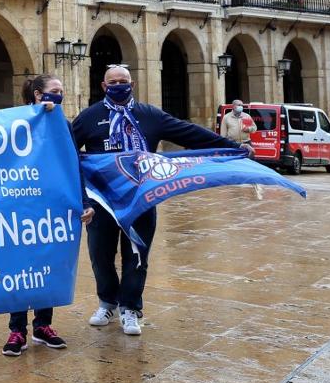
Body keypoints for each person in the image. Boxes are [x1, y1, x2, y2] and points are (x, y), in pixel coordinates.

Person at [72, 64, 246, 336]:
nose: (119, 85)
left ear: (133, 84)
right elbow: (67, 150)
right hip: (103, 202)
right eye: (113, 81)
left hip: (142, 198)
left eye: (124, 80)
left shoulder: (149, 115)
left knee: (137, 255)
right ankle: (107, 302)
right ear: (104, 86)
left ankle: (130, 307)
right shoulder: (89, 117)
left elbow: (189, 132)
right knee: (100, 255)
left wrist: (233, 147)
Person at [2, 74, 94, 356]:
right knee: (18, 268)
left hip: (53, 206)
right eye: (54, 91)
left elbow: (72, 165)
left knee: (49, 263)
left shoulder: (63, 125)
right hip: (20, 207)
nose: (60, 95)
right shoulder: (15, 122)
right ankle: (17, 330)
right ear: (38, 95)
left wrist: (84, 200)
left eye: (62, 91)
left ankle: (43, 325)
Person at [220, 100, 263, 200]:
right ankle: (234, 192)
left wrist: (248, 129)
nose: (241, 107)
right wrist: (225, 146)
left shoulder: (246, 116)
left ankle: (256, 186)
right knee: (234, 166)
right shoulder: (226, 118)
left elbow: (254, 127)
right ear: (233, 106)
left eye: (242, 105)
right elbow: (223, 134)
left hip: (247, 143)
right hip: (233, 144)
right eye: (239, 105)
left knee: (251, 165)